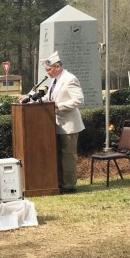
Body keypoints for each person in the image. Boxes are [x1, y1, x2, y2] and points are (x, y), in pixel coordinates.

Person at [40, 51, 85, 194]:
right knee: (59, 155)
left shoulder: (70, 79)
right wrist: (33, 100)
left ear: (57, 67)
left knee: (68, 156)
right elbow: (49, 97)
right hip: (58, 124)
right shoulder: (55, 80)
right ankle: (60, 182)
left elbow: (79, 100)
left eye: (49, 69)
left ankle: (69, 185)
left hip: (69, 124)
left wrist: (58, 105)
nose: (47, 72)